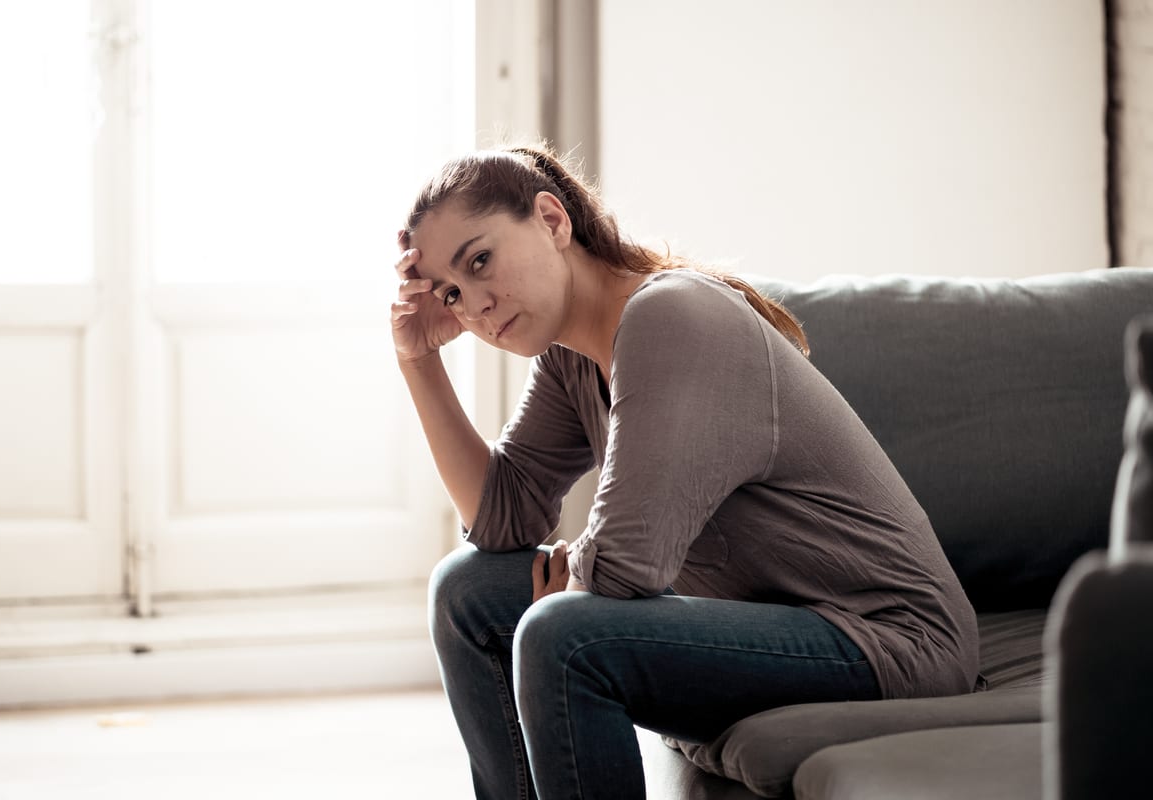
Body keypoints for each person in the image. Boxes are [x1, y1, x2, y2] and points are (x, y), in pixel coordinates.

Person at [389, 145, 978, 800]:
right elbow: (500, 518)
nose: (476, 306)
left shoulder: (669, 316)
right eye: (452, 292)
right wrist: (418, 360)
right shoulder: (570, 358)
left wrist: (570, 586)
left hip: (888, 639)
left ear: (552, 220)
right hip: (773, 625)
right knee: (466, 589)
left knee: (565, 636)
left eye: (480, 261)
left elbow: (624, 571)